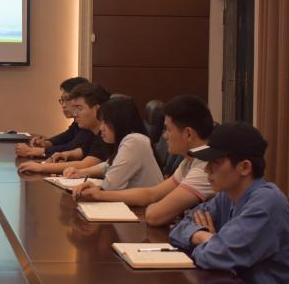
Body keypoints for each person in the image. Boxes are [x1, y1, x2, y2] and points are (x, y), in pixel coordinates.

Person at [169, 122, 289, 284]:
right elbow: (179, 228)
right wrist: (205, 236)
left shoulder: (266, 205)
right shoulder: (227, 195)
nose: (207, 169)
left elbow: (210, 257)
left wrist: (209, 243)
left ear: (245, 167)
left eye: (215, 162)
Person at [75, 95, 214, 225]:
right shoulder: (189, 162)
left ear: (188, 134)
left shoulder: (205, 168)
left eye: (168, 130)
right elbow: (151, 194)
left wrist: (156, 206)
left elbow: (154, 215)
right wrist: (99, 194)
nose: (164, 136)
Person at [18, 83, 112, 176]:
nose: (75, 114)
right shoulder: (94, 132)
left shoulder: (107, 133)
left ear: (96, 109)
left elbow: (85, 164)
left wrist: (41, 167)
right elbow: (83, 151)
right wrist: (66, 154)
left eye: (79, 108)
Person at [71, 96, 161, 193]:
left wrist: (94, 186)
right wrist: (80, 172)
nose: (101, 128)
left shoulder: (134, 141)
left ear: (119, 122)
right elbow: (109, 166)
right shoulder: (129, 140)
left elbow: (110, 186)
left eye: (105, 122)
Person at [15, 77, 89, 158]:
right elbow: (67, 136)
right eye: (62, 100)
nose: (63, 105)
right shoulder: (78, 121)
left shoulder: (89, 124)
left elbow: (71, 147)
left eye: (67, 99)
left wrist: (33, 151)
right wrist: (46, 143)